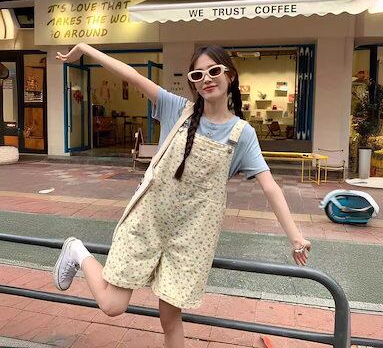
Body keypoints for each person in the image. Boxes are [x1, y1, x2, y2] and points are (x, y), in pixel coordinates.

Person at [53, 43, 311, 348]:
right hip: (147, 223)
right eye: (198, 74)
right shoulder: (177, 109)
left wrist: (295, 237)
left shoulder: (243, 134)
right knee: (112, 305)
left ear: (230, 75)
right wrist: (85, 49)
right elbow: (132, 75)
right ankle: (76, 251)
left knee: (170, 319)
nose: (207, 79)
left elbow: (270, 186)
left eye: (214, 71)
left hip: (191, 240)